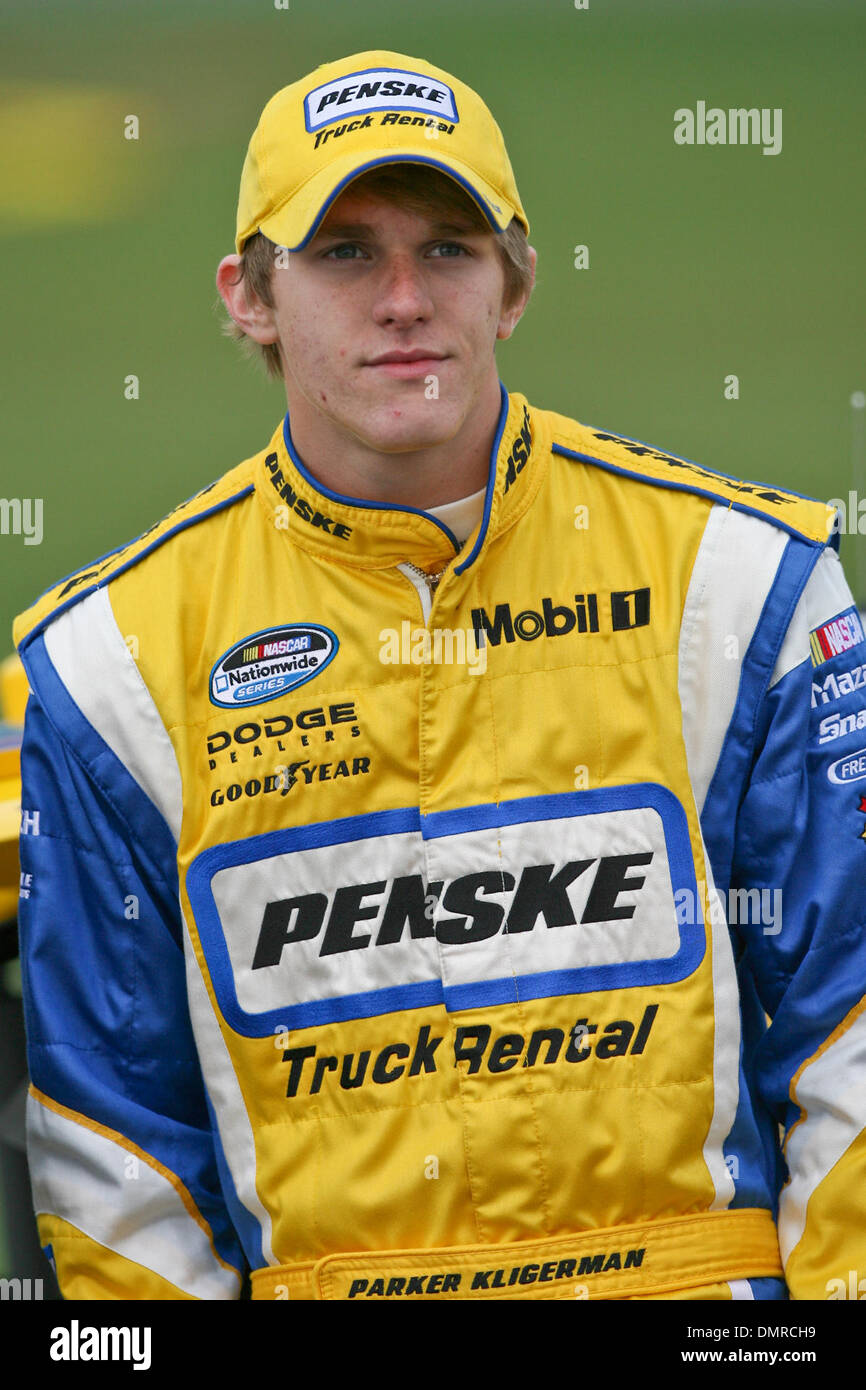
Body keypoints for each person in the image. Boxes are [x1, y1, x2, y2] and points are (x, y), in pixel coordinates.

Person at [13, 48, 866, 1302]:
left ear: (513, 284)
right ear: (250, 296)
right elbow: (111, 1155)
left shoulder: (748, 585)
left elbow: (846, 1035)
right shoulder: (101, 666)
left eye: (449, 249)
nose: (403, 298)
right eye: (346, 253)